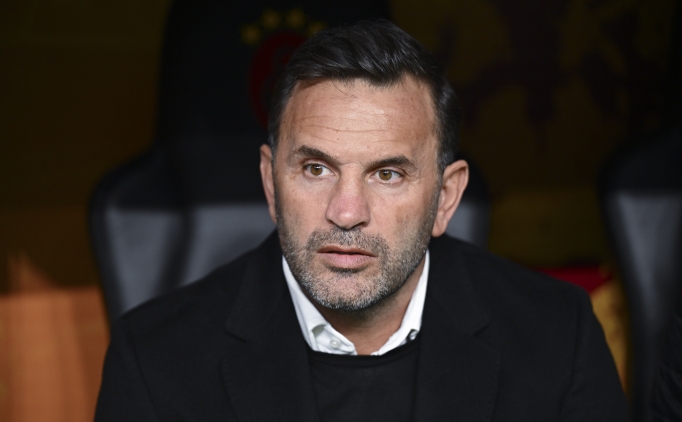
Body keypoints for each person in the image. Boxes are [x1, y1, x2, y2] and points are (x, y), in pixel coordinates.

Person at [95, 20, 628, 421]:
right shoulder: (155, 362)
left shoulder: (558, 337)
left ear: (446, 198)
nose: (346, 212)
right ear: (270, 184)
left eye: (387, 174)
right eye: (316, 169)